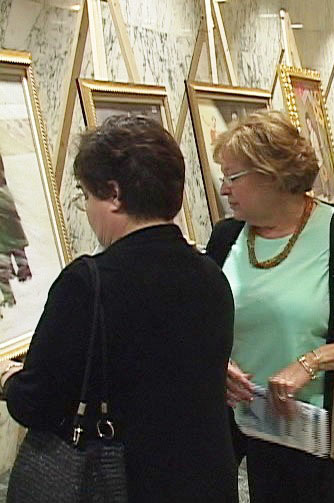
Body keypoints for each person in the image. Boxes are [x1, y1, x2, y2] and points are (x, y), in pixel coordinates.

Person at [0, 115, 237, 502]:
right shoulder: (211, 275)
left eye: (86, 196)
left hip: (122, 484)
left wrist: (9, 377)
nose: (87, 209)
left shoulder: (88, 283)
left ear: (113, 194)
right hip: (207, 480)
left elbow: (36, 403)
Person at [206, 110, 334, 502]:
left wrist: (310, 362)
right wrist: (217, 362)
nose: (224, 190)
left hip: (328, 434)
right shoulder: (226, 238)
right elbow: (202, 321)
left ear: (271, 175)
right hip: (251, 427)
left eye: (232, 177)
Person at [0, 155, 33, 311]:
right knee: (16, 245)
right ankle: (23, 268)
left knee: (2, 256)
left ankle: (8, 297)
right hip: (7, 204)